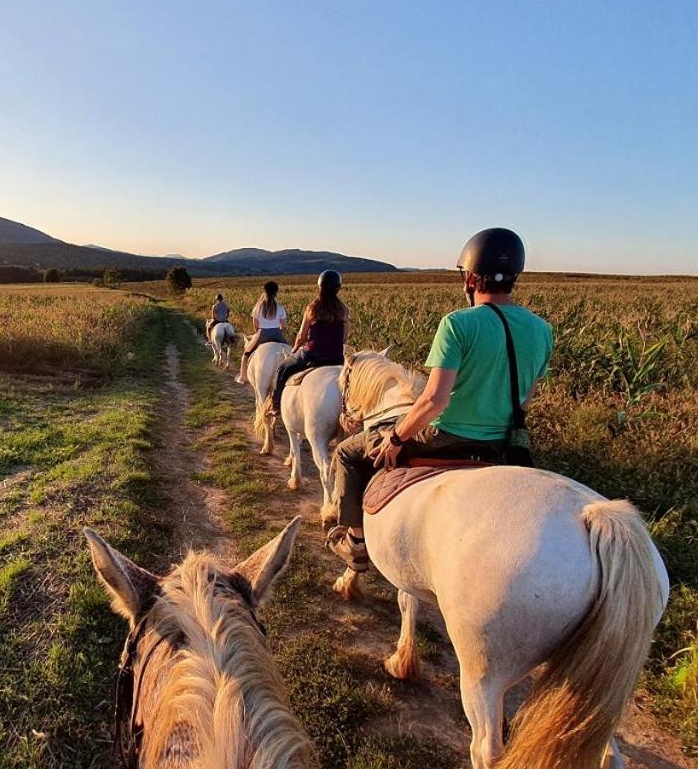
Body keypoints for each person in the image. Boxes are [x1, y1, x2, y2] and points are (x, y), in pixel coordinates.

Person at [325, 228, 553, 573]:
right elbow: (525, 400)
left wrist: (398, 436)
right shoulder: (541, 329)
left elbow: (434, 400)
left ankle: (356, 541)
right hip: (501, 443)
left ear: (472, 277)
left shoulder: (457, 324)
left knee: (347, 453)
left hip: (445, 437)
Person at [267, 270, 349, 418]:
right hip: (336, 357)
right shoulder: (343, 310)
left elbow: (301, 336)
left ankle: (276, 404)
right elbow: (344, 337)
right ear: (338, 287)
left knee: (282, 368)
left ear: (320, 287)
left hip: (313, 353)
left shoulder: (312, 308)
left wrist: (295, 349)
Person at [235, 281, 288, 384]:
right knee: (291, 354)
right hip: (277, 334)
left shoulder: (258, 307)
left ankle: (242, 376)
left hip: (262, 334)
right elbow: (284, 325)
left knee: (246, 355)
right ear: (276, 292)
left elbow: (255, 325)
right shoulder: (280, 307)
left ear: (265, 291)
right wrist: (279, 330)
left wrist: (258, 334)